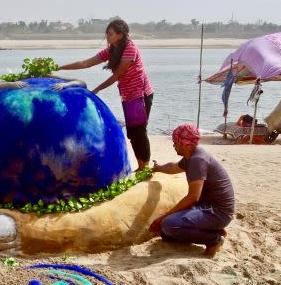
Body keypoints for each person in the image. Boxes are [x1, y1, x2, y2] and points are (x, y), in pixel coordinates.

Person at [56, 19, 155, 170]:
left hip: (140, 94)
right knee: (132, 132)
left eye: (110, 34)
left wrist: (97, 89)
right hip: (128, 95)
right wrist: (59, 68)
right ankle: (141, 167)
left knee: (139, 131)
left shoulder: (130, 48)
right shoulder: (111, 50)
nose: (107, 37)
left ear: (120, 35)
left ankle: (145, 167)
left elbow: (118, 74)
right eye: (107, 34)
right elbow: (85, 63)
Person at [149, 124, 235, 258]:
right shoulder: (191, 156)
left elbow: (193, 197)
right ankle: (212, 229)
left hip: (218, 212)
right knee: (166, 233)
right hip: (207, 208)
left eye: (175, 142)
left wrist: (163, 217)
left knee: (169, 224)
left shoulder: (197, 160)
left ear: (184, 144)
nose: (174, 146)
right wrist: (158, 168)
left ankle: (214, 239)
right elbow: (173, 167)